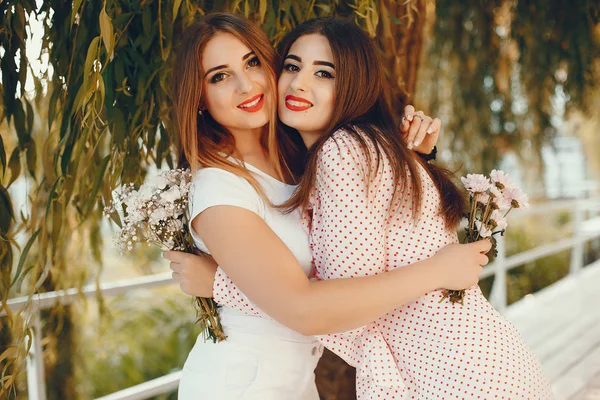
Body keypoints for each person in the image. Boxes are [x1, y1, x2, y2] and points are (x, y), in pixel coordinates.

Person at [169, 13, 490, 400]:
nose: (245, 84)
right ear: (199, 98)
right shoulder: (219, 187)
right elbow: (303, 309)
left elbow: (365, 211)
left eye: (253, 62)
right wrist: (437, 271)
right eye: (219, 76)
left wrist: (413, 149)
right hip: (239, 384)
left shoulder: (300, 160)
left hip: (299, 382)